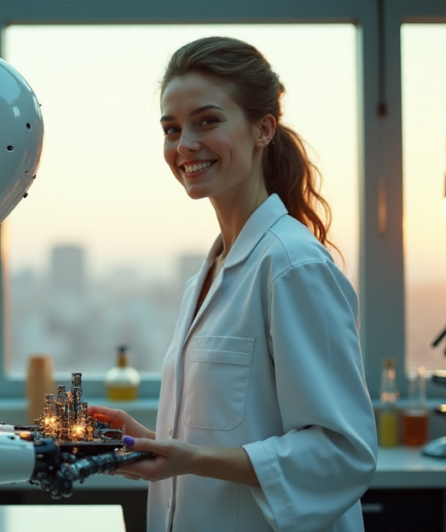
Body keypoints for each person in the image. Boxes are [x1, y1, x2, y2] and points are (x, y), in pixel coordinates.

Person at [87, 36, 377, 532]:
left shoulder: (291, 266)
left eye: (208, 121)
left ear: (263, 129)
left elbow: (342, 453)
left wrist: (192, 458)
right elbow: (234, 430)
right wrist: (155, 443)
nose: (185, 146)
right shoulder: (209, 274)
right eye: (171, 129)